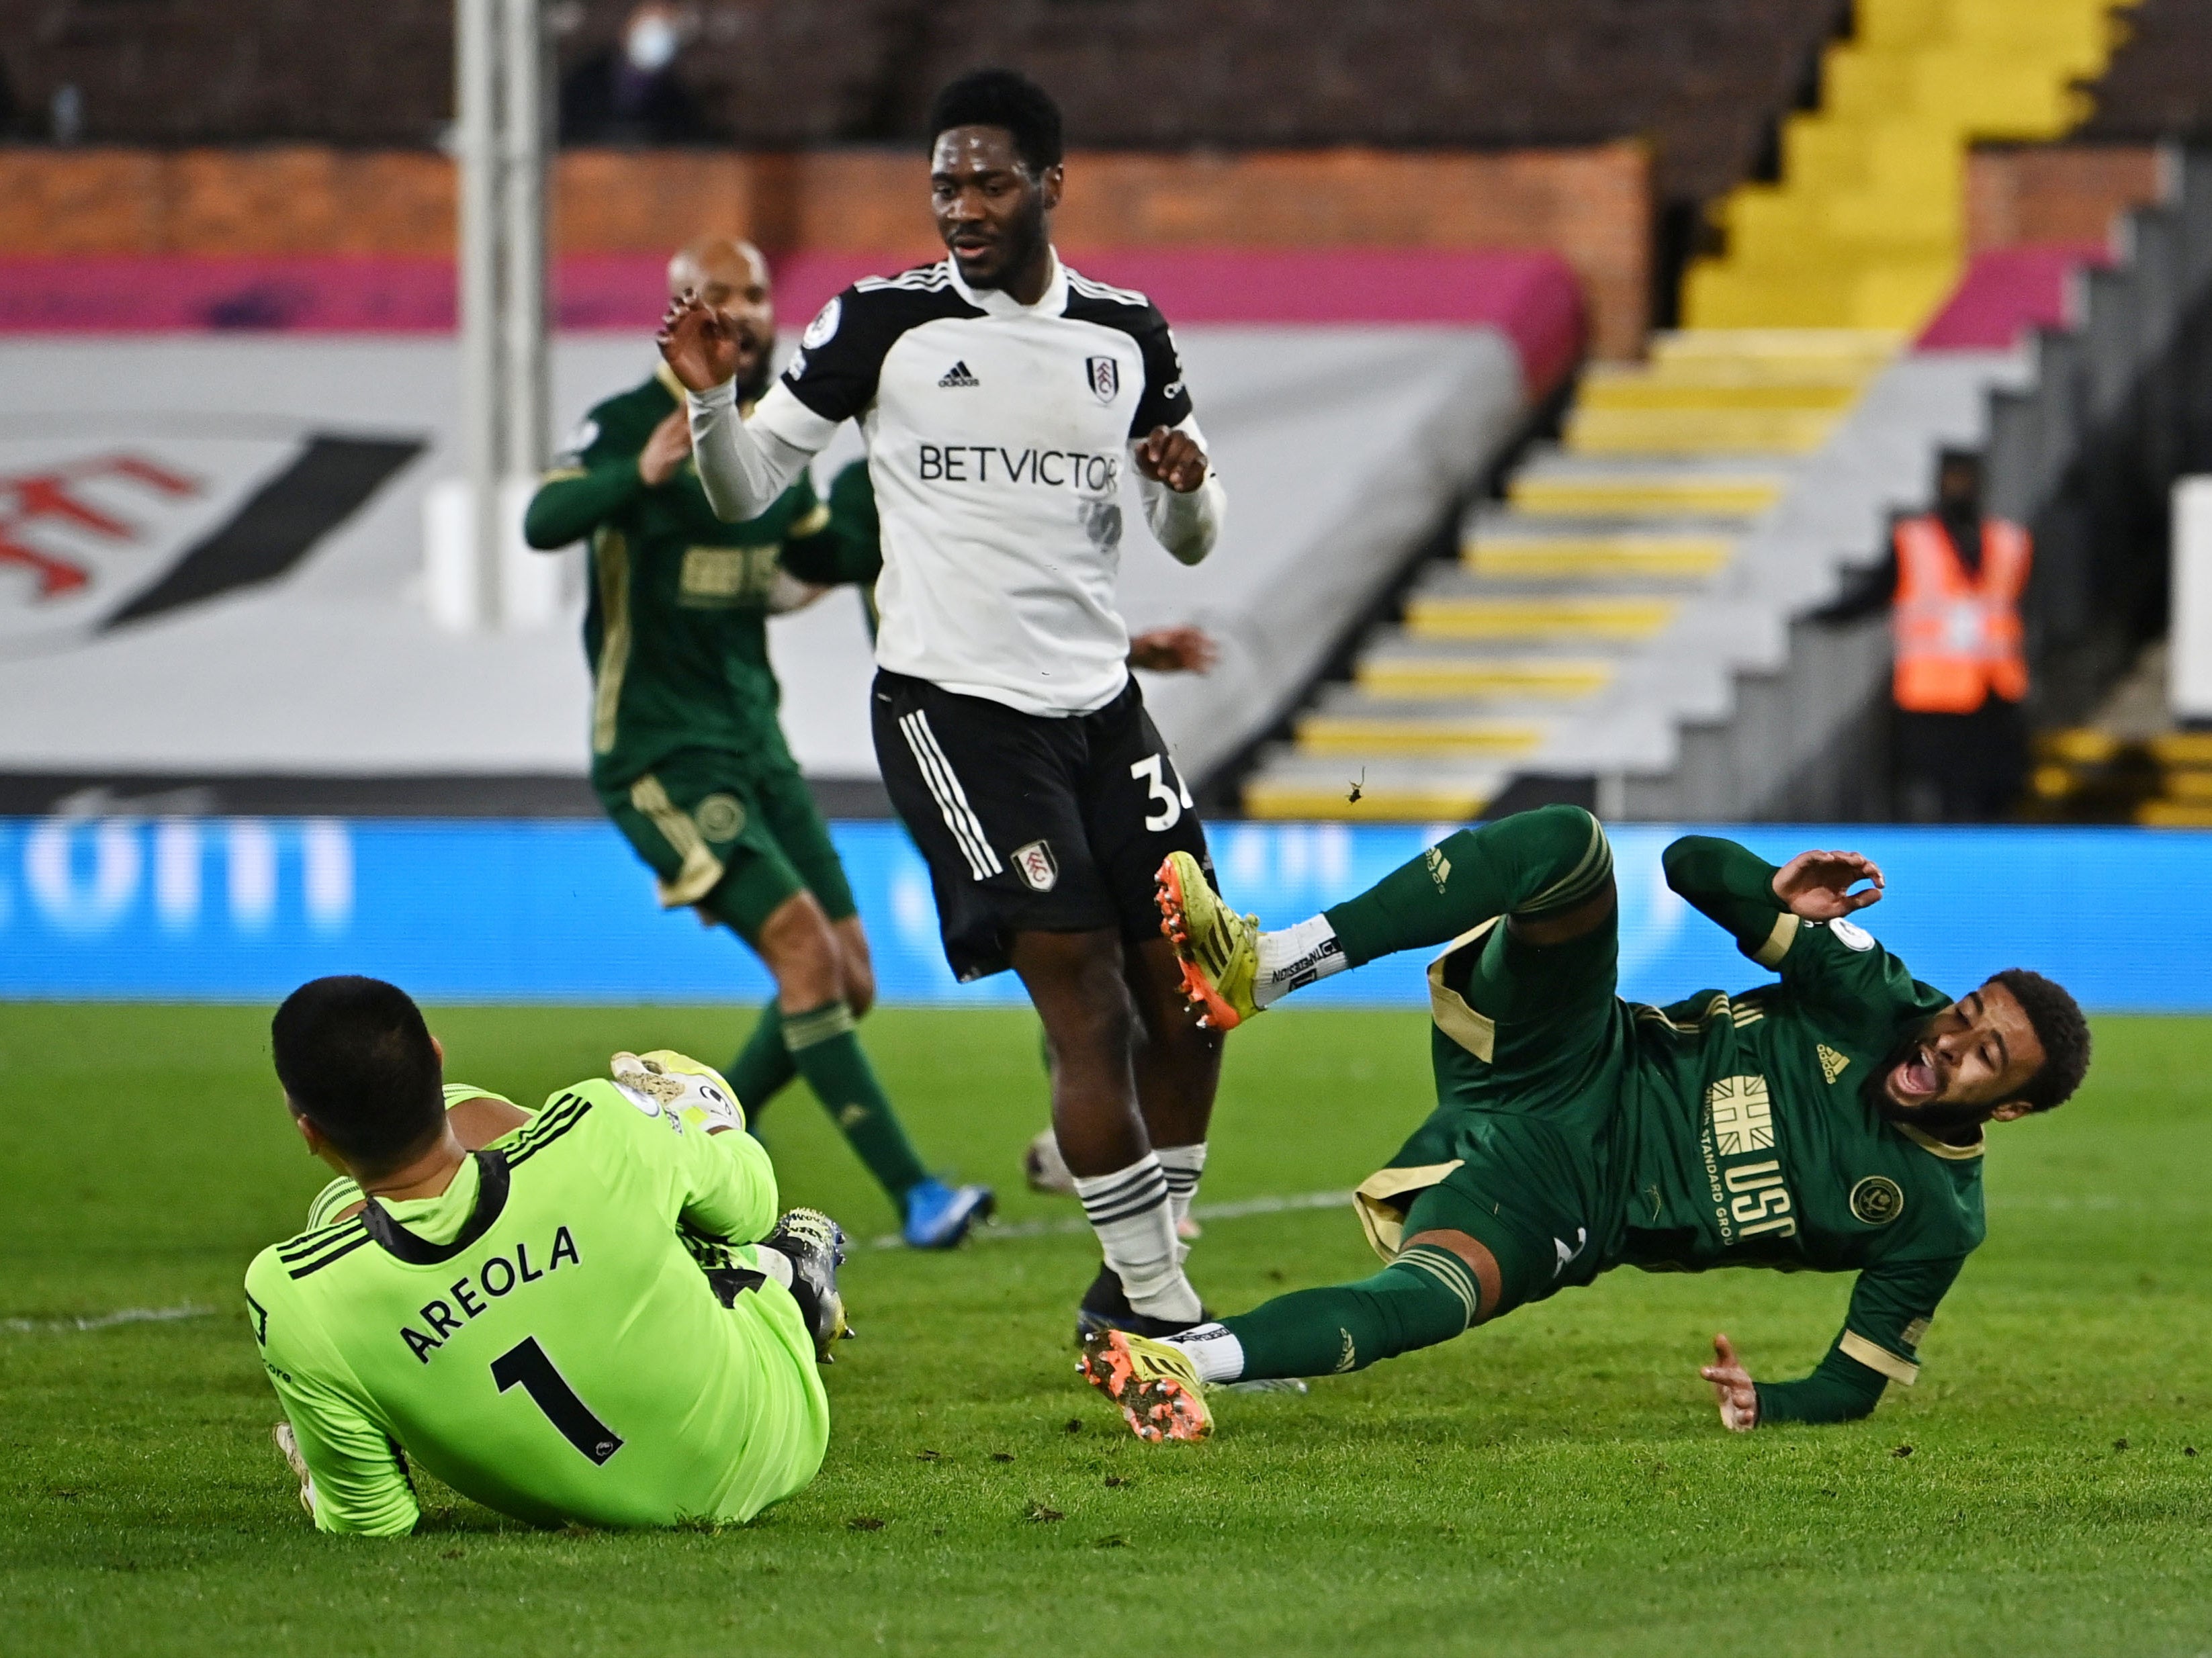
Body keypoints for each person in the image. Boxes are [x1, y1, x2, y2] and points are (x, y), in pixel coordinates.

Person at [660, 69, 1231, 1340]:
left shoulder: (1126, 334)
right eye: (942, 184)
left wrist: (1185, 486)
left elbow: (1189, 535)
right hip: (955, 711)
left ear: (1048, 186)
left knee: (1193, 991)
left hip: (1102, 708)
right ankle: (1160, 1310)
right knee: (1082, 996)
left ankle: (1133, 1277)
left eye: (985, 181)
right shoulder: (877, 323)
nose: (960, 206)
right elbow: (746, 487)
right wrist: (708, 401)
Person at [1075, 808, 2092, 1442]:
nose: (1949, 1042)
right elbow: (1690, 863)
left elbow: (1852, 1382)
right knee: (1567, 849)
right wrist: (1771, 895)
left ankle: (1183, 1357)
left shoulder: (1935, 1220)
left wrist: (1765, 1404)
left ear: (2006, 1107)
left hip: (1573, 1200)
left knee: (1427, 1299)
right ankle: (1267, 963)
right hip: (1572, 1051)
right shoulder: (1874, 994)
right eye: (1966, 1015)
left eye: (1983, 1057)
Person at [524, 236, 991, 1249]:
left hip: (758, 744)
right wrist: (634, 476)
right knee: (806, 962)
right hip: (657, 750)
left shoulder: (774, 441)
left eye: (758, 293)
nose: (742, 308)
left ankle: (678, 1160)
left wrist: (903, 478)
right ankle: (916, 1194)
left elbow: (826, 549)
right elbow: (542, 520)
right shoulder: (623, 423)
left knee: (850, 977)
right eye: (720, 292)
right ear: (682, 303)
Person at [246, 976, 848, 1533]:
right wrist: (693, 1118)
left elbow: (375, 1521)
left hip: (610, 1511)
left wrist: (324, 1472)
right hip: (779, 1425)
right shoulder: (600, 1121)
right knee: (654, 1147)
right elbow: (751, 1205)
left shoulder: (292, 1291)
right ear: (434, 1053)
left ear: (308, 1130)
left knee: (336, 1214)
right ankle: (781, 1273)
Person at [1816, 449, 2032, 821]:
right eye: (1953, 479)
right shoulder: (1915, 541)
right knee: (1938, 797)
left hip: (1995, 692)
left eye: (1967, 478)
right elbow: (1875, 594)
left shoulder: (2008, 541)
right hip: (1932, 696)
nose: (1961, 488)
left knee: (1996, 793)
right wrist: (1829, 615)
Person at [558, 2, 707, 146]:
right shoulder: (584, 81)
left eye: (665, 29)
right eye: (649, 28)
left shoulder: (678, 97)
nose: (655, 38)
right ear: (627, 27)